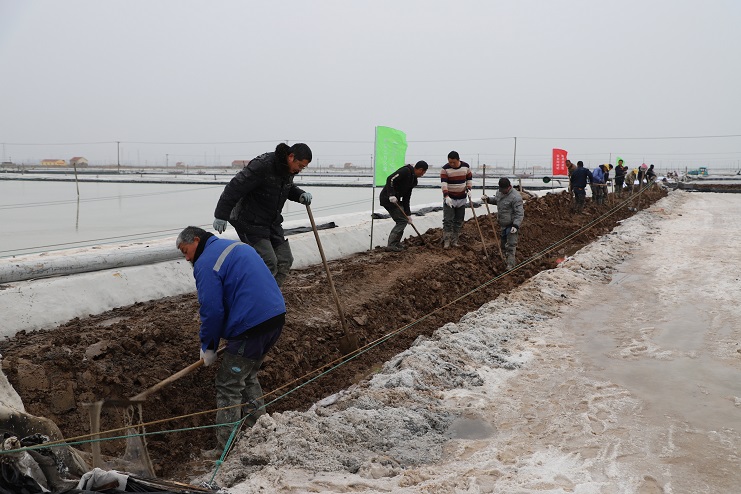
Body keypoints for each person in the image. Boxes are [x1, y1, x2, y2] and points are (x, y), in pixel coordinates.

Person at [176, 226, 286, 456]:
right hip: (275, 317)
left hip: (252, 325)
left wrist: (209, 347)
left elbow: (212, 311)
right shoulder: (234, 246)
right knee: (247, 376)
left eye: (185, 251)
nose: (186, 258)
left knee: (228, 384)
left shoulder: (205, 263)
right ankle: (261, 432)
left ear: (196, 240)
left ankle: (225, 449)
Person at [212, 142, 313, 287]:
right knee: (268, 262)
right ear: (291, 157)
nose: (300, 170)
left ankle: (270, 294)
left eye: (303, 168)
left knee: (285, 260)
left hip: (270, 221)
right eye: (300, 166)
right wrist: (221, 215)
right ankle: (254, 295)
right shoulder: (263, 165)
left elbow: (285, 187)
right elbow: (235, 186)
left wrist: (300, 195)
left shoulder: (288, 170)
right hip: (249, 221)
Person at [379, 161, 429, 251]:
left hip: (396, 200)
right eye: (423, 172)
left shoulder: (413, 180)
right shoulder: (406, 171)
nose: (422, 175)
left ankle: (396, 243)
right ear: (420, 170)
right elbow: (390, 179)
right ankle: (392, 245)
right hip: (387, 198)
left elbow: (406, 198)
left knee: (404, 219)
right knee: (401, 220)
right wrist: (391, 194)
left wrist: (408, 214)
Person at [481, 177, 524, 270]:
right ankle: (504, 261)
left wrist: (516, 225)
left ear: (509, 187)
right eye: (501, 189)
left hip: (511, 225)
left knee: (511, 245)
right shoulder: (499, 192)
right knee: (503, 245)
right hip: (503, 224)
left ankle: (510, 264)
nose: (502, 191)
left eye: (504, 190)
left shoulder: (516, 197)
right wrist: (488, 199)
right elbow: (497, 200)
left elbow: (519, 213)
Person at [440, 151, 473, 248]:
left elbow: (469, 179)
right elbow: (444, 184)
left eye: (453, 162)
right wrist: (446, 196)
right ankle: (447, 241)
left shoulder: (466, 167)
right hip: (450, 199)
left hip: (461, 198)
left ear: (458, 160)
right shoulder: (445, 169)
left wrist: (469, 189)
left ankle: (454, 241)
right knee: (448, 220)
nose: (451, 164)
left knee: (458, 220)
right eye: (450, 162)